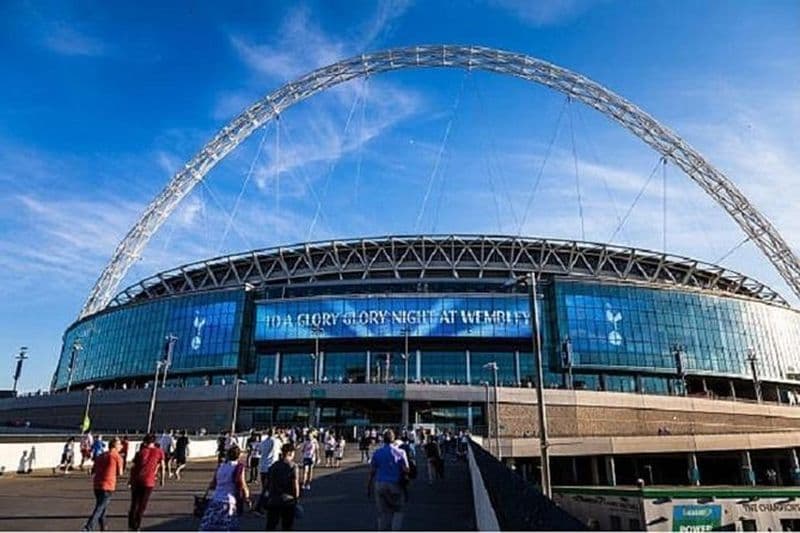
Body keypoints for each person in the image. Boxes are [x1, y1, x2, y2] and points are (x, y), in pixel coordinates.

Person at [367, 430, 409, 531]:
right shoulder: (400, 452)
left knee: (383, 513)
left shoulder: (377, 452)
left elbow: (372, 471)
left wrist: (368, 486)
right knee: (398, 510)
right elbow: (407, 469)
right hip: (395, 483)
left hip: (380, 483)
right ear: (393, 439)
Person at [199, 445, 249, 531]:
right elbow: (242, 482)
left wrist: (206, 495)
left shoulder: (221, 466)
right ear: (238, 456)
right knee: (227, 527)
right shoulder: (238, 467)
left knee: (210, 527)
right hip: (229, 500)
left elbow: (213, 483)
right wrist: (247, 497)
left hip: (216, 499)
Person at [83, 437, 124, 531]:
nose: (121, 446)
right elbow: (120, 473)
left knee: (102, 508)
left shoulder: (101, 455)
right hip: (108, 485)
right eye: (120, 444)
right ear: (116, 446)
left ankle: (103, 528)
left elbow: (94, 470)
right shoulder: (117, 457)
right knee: (100, 508)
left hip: (97, 484)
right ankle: (89, 527)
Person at [128, 433, 165, 531]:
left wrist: (130, 480)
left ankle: (131, 523)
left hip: (137, 480)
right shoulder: (159, 452)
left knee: (134, 503)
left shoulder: (140, 452)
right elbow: (162, 465)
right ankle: (137, 524)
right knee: (142, 504)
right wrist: (162, 479)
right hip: (149, 481)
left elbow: (134, 468)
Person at [265, 443, 300, 531]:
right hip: (288, 500)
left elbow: (268, 482)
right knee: (287, 526)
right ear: (290, 453)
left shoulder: (274, 466)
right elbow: (295, 483)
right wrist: (296, 498)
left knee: (271, 525)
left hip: (274, 499)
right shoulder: (293, 466)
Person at [257, 429, 283, 512]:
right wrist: (281, 437)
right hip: (271, 466)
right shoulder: (276, 441)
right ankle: (259, 506)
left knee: (265, 487)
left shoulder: (263, 442)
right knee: (269, 488)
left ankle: (265, 505)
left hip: (263, 466)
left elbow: (260, 452)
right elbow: (282, 448)